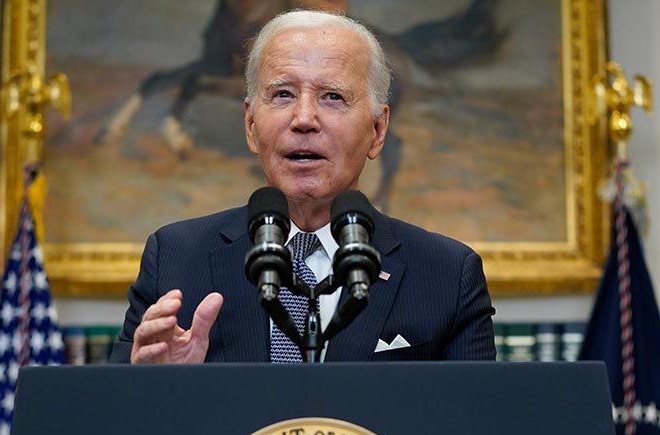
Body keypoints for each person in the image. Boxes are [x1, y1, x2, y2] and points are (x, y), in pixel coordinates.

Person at [109, 9, 496, 364]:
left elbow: (473, 423)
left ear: (378, 131)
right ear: (250, 126)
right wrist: (156, 388)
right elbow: (117, 420)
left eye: (332, 96)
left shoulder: (447, 274)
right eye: (282, 95)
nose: (304, 119)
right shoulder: (174, 259)